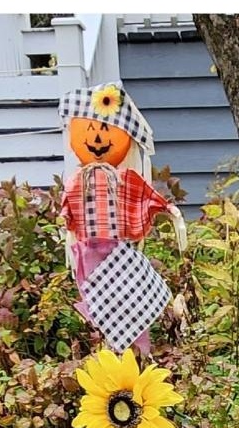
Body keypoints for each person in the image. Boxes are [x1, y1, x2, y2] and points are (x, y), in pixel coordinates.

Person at [59, 82, 186, 355]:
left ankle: (139, 352)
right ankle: (108, 352)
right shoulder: (77, 182)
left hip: (119, 249)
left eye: (105, 131)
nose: (96, 139)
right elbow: (67, 214)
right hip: (88, 250)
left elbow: (146, 196)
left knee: (132, 297)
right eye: (89, 131)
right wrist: (66, 231)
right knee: (100, 301)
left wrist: (167, 208)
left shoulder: (124, 179)